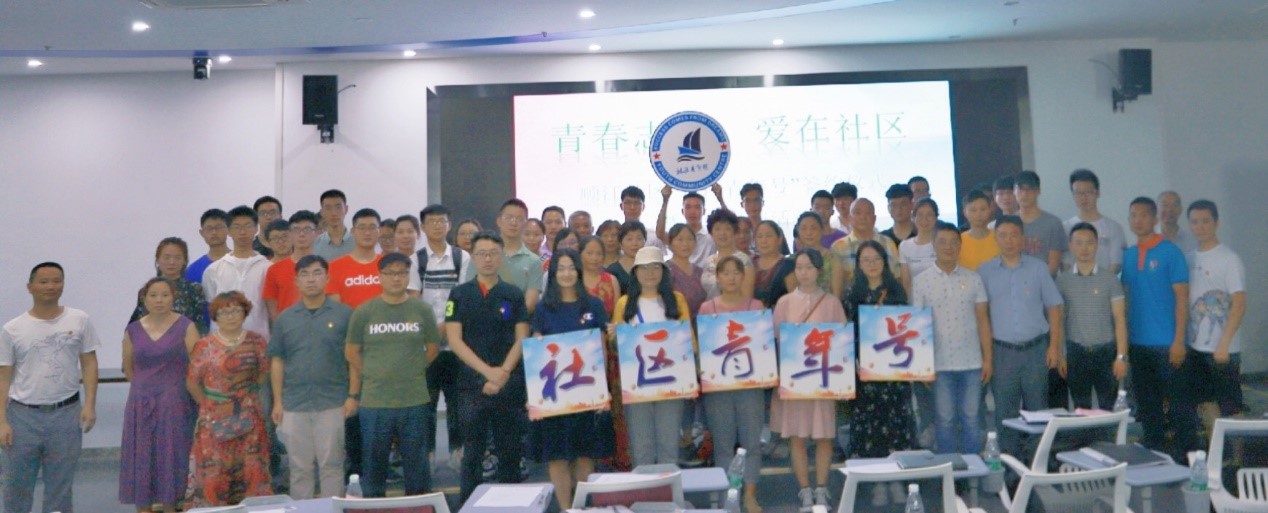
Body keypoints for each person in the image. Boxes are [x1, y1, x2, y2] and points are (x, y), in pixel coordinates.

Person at [1, 262, 101, 513]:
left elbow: (89, 362)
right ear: (30, 287)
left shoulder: (79, 320)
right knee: (16, 487)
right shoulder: (12, 329)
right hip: (22, 416)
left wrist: (89, 405)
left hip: (66, 414)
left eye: (57, 281)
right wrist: (1, 420)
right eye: (43, 281)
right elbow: (4, 377)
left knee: (60, 487)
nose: (51, 286)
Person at [346, 252, 440, 497]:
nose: (396, 278)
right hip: (375, 402)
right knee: (374, 468)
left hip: (414, 399)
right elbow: (351, 352)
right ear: (380, 276)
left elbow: (433, 348)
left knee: (417, 469)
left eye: (402, 273)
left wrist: (413, 368)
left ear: (408, 276)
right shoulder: (365, 311)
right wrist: (373, 373)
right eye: (390, 273)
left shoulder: (422, 309)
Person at [527, 250, 615, 510]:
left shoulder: (593, 305)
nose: (566, 273)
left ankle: (582, 507)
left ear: (578, 271)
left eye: (571, 268)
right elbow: (537, 351)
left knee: (585, 454)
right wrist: (534, 394)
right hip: (554, 394)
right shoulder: (543, 308)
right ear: (553, 274)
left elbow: (601, 349)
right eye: (561, 268)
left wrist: (603, 389)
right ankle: (566, 508)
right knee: (557, 456)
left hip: (586, 390)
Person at [446, 232, 530, 501]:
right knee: (472, 453)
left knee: (510, 451)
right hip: (471, 385)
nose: (488, 259)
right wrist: (487, 373)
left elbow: (522, 338)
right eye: (481, 253)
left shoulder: (513, 294)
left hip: (509, 383)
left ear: (502, 256)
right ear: (473, 256)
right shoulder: (459, 294)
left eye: (493, 253)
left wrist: (502, 373)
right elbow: (454, 340)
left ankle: (512, 506)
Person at [268, 255, 354, 500]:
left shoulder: (345, 314)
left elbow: (353, 360)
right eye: (304, 274)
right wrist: (278, 401)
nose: (311, 279)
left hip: (333, 401)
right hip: (294, 403)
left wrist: (352, 395)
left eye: (317, 273)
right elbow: (277, 360)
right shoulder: (285, 318)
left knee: (332, 466)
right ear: (296, 281)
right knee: (299, 469)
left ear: (327, 278)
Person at [977, 216, 1063, 455]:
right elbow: (981, 316)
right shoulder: (984, 272)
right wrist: (987, 357)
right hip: (1002, 352)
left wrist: (1054, 347)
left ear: (1022, 238)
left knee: (1038, 411)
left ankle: (1038, 464)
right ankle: (1010, 467)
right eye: (1003, 235)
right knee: (1005, 413)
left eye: (1014, 235)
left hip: (1036, 350)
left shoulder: (1038, 268)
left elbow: (1054, 308)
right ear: (995, 239)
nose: (1009, 240)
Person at [770, 248, 846, 511]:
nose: (803, 273)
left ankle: (822, 488)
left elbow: (841, 342)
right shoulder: (784, 303)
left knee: (824, 436)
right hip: (794, 380)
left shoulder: (832, 302)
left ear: (819, 271)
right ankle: (804, 489)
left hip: (823, 379)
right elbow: (777, 342)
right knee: (797, 437)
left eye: (809, 267)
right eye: (799, 267)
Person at [1123, 196, 1195, 460]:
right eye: (1133, 215)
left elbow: (1182, 298)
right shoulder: (1129, 255)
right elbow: (1127, 298)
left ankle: (1187, 453)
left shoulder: (1170, 252)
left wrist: (1179, 340)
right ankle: (1154, 449)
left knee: (1179, 404)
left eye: (1144, 215)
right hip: (1138, 343)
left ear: (1155, 219)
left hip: (1168, 343)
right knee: (1147, 403)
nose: (1138, 220)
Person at [120, 277, 200, 513]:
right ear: (144, 299)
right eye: (153, 295)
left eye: (165, 295)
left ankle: (171, 507)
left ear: (173, 298)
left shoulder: (186, 326)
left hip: (175, 402)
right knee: (142, 456)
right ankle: (143, 507)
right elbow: (129, 368)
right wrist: (145, 388)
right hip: (141, 402)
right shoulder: (133, 330)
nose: (159, 300)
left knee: (173, 455)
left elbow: (197, 368)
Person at [911, 223, 992, 455]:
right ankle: (949, 470)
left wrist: (988, 359)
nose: (948, 247)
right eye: (942, 242)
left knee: (971, 418)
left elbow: (983, 321)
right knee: (944, 420)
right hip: (939, 364)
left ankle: (973, 471)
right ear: (933, 245)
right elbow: (917, 327)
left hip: (972, 362)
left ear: (960, 245)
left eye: (954, 242)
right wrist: (921, 367)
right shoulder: (921, 281)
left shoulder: (974, 278)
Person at [187, 291, 271, 506]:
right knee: (215, 472)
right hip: (214, 418)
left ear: (245, 313)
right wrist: (209, 405)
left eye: (235, 311)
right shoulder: (204, 345)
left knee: (251, 468)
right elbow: (192, 382)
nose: (231, 316)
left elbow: (263, 373)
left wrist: (244, 396)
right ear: (216, 316)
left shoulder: (257, 341)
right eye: (224, 312)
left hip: (249, 415)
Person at [612, 246, 693, 466]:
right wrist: (614, 336)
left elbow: (688, 341)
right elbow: (618, 346)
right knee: (641, 447)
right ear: (635, 272)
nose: (650, 273)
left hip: (671, 381)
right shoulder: (624, 303)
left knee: (669, 444)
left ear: (663, 272)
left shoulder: (676, 300)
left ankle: (669, 488)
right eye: (644, 268)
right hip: (637, 383)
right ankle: (644, 488)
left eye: (656, 267)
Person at [699, 255, 766, 513]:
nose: (731, 277)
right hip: (719, 388)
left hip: (750, 386)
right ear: (717, 277)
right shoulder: (707, 309)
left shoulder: (755, 306)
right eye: (725, 272)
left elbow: (763, 346)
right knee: (723, 444)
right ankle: (729, 496)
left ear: (743, 276)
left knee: (751, 442)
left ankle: (750, 495)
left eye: (736, 272)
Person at [410, 204, 473, 469]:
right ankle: (427, 455)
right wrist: (431, 333)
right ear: (423, 227)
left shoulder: (462, 258)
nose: (437, 225)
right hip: (426, 347)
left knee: (458, 402)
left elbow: (463, 298)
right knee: (426, 402)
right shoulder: (416, 260)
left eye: (442, 221)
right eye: (432, 221)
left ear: (449, 225)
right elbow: (414, 300)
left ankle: (459, 453)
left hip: (456, 345)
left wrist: (445, 328)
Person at [845, 241, 916, 457]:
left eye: (876, 259)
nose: (872, 264)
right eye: (866, 260)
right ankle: (871, 471)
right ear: (858, 264)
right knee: (868, 420)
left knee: (896, 418)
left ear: (884, 262)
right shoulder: (852, 293)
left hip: (894, 366)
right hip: (865, 369)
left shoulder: (896, 290)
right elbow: (847, 331)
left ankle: (898, 469)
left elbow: (908, 325)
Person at [1185, 200, 1247, 430]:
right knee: (1205, 402)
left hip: (1223, 350)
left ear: (1216, 223)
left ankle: (1238, 451)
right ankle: (1216, 449)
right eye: (1195, 222)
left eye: (1205, 221)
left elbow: (1239, 303)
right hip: (1196, 347)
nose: (1200, 227)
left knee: (1231, 404)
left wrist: (1224, 343)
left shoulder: (1229, 259)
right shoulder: (1189, 258)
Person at [1056, 223, 1128, 410]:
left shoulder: (1110, 279)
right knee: (1080, 408)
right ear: (1071, 246)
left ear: (1096, 245)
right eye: (1079, 243)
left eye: (1089, 243)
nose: (1084, 248)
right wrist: (1061, 354)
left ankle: (1108, 431)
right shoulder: (1062, 281)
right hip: (1076, 353)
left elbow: (1120, 320)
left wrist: (1121, 357)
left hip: (1106, 353)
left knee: (1107, 408)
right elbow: (1059, 322)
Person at [578, 235, 627, 468]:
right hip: (580, 352)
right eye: (590, 253)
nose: (595, 257)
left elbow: (615, 316)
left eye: (599, 253)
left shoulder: (611, 280)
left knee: (613, 403)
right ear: (580, 255)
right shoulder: (574, 280)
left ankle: (616, 454)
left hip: (608, 350)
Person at [203, 205, 271, 338]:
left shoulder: (268, 267)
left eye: (247, 226)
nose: (242, 232)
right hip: (221, 342)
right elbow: (212, 304)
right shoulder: (214, 269)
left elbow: (271, 308)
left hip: (258, 340)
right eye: (237, 227)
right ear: (228, 231)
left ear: (256, 228)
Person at [130, 236, 210, 335]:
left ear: (185, 261)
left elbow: (200, 325)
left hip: (187, 342)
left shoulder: (194, 289)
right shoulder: (147, 291)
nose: (172, 262)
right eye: (166, 257)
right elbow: (136, 327)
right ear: (157, 260)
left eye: (177, 258)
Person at [830, 198, 900, 299]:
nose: (863, 217)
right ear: (850, 218)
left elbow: (897, 277)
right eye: (858, 213)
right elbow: (836, 288)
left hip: (886, 305)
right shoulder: (838, 247)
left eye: (868, 213)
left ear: (874, 218)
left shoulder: (888, 243)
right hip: (850, 305)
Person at [1064, 169, 1127, 274]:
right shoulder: (1065, 227)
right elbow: (1065, 264)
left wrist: (1099, 282)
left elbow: (1116, 265)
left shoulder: (1114, 228)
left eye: (1088, 192)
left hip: (1105, 283)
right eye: (1078, 193)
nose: (1083, 197)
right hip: (1074, 283)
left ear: (1098, 193)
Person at [263, 210, 320, 322]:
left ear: (317, 233)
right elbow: (272, 310)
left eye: (307, 229)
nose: (302, 234)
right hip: (287, 328)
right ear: (290, 234)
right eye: (296, 230)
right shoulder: (274, 270)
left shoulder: (326, 268)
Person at [327, 208, 385, 308]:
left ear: (379, 231)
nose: (367, 233)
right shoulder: (334, 267)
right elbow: (335, 309)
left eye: (372, 227)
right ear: (353, 231)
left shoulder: (388, 265)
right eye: (362, 228)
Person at [497, 199, 546, 313]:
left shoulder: (534, 261)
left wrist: (504, 316)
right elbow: (471, 295)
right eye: (509, 218)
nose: (514, 223)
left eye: (519, 219)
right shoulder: (483, 254)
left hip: (519, 322)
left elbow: (530, 305)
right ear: (499, 221)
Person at [1013, 170, 1066, 276]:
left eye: (1030, 189)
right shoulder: (1008, 223)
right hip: (1014, 283)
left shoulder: (1053, 223)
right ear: (1014, 191)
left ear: (1038, 191)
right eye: (1020, 189)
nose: (1025, 194)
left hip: (1044, 283)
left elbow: (1053, 267)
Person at [656, 186, 717, 268]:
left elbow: (731, 232)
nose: (692, 212)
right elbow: (660, 234)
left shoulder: (712, 237)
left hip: (706, 275)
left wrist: (720, 198)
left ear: (704, 211)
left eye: (697, 207)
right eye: (688, 207)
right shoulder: (676, 236)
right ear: (682, 211)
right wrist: (665, 200)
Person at [701, 208, 756, 299]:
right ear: (711, 233)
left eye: (727, 229)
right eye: (717, 229)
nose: (722, 233)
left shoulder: (743, 260)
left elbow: (746, 298)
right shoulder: (708, 261)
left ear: (734, 232)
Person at [665, 224, 707, 318]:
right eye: (680, 239)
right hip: (675, 323)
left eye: (690, 239)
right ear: (670, 244)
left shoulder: (699, 272)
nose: (685, 244)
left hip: (701, 323)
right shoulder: (664, 271)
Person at [899, 198, 939, 295]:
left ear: (936, 218)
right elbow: (906, 282)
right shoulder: (905, 246)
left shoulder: (943, 244)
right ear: (913, 218)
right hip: (915, 300)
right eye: (920, 215)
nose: (924, 220)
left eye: (929, 215)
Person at [753, 220, 793, 307]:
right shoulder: (750, 264)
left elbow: (795, 300)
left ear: (779, 239)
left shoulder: (788, 265)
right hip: (752, 315)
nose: (764, 240)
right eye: (759, 236)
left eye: (769, 236)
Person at [793, 211, 836, 290]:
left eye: (813, 228)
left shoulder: (833, 258)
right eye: (804, 228)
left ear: (822, 230)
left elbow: (837, 294)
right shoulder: (791, 260)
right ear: (798, 231)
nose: (809, 233)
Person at [186, 208, 230, 284]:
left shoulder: (240, 261)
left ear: (229, 229)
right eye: (209, 228)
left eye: (219, 227)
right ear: (201, 233)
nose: (214, 232)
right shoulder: (192, 270)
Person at [958, 190, 999, 271]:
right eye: (973, 210)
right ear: (965, 213)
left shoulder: (999, 238)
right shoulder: (958, 241)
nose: (978, 214)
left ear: (990, 210)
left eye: (983, 209)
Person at [606, 221, 647, 295]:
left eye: (639, 238)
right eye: (629, 239)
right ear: (620, 243)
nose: (635, 243)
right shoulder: (612, 271)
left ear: (645, 242)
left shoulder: (652, 267)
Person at [314, 189, 355, 261]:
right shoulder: (315, 245)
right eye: (328, 208)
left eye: (338, 207)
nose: (333, 213)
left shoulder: (358, 242)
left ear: (346, 209)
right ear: (322, 212)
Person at [1158, 190, 1199, 258]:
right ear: (1156, 209)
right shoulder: (1147, 241)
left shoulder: (1192, 241)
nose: (1169, 209)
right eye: (1165, 205)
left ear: (1180, 210)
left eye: (1174, 205)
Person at [253, 195, 283, 259]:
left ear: (281, 216)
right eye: (263, 213)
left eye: (273, 212)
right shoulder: (250, 248)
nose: (269, 217)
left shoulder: (291, 246)